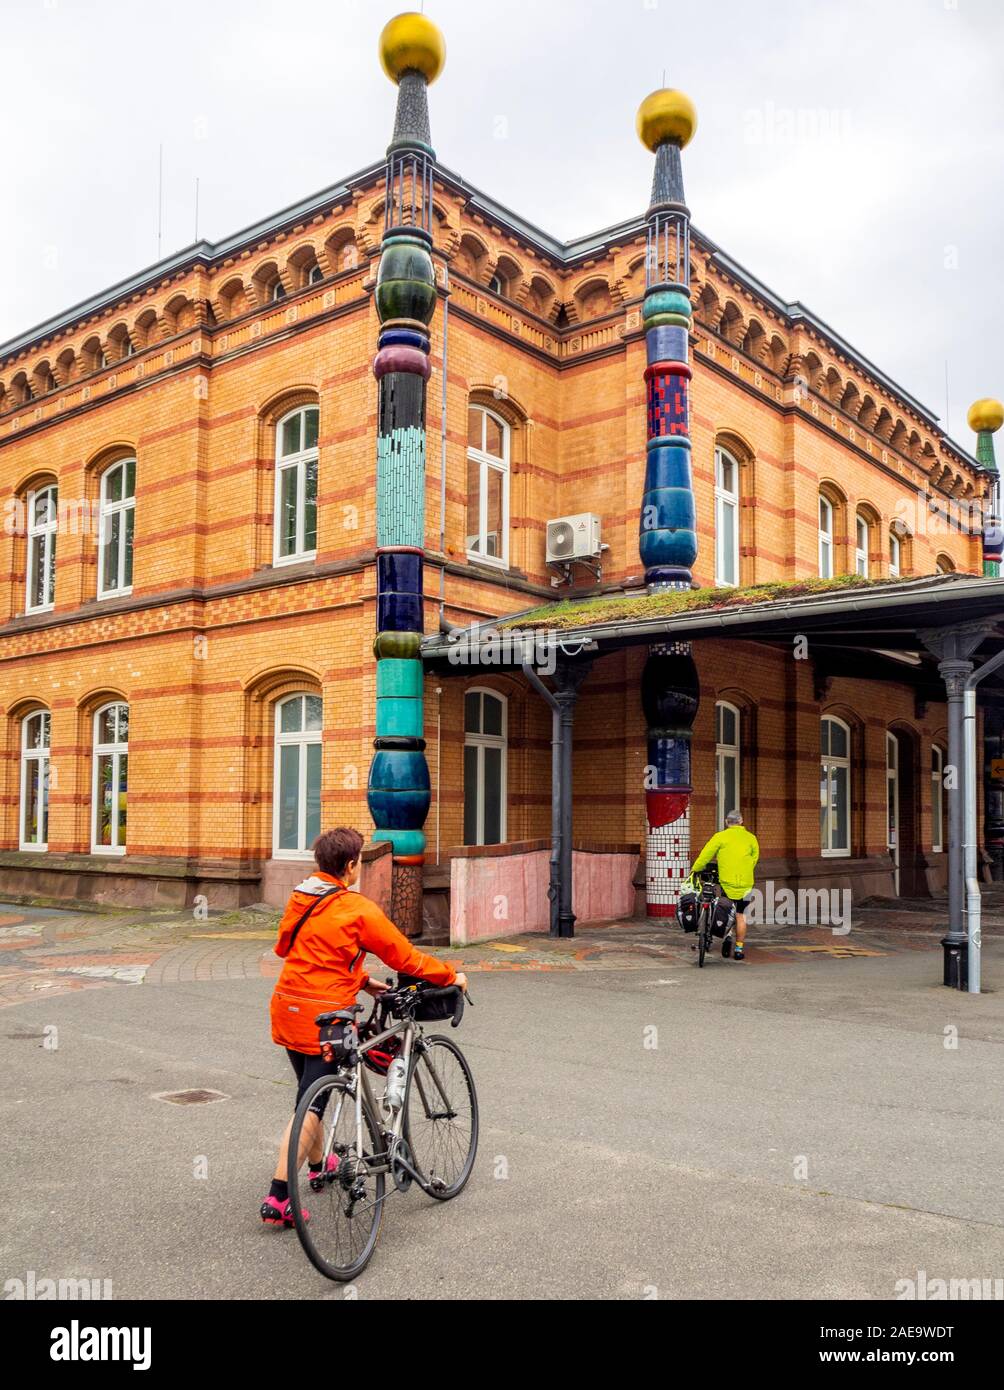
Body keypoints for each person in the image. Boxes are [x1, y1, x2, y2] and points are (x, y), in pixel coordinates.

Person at [262, 826, 467, 1227]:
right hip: (325, 1018)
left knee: (309, 1095)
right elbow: (405, 958)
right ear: (351, 865)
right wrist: (450, 975)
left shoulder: (302, 896)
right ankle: (279, 1197)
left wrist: (358, 979)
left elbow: (292, 950)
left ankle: (321, 1165)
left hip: (287, 1007)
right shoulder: (357, 909)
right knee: (313, 1105)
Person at [688, 810, 759, 961]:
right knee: (741, 915)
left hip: (727, 882)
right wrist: (745, 869)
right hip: (746, 882)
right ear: (741, 821)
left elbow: (705, 855)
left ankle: (727, 936)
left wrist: (696, 868)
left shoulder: (720, 837)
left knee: (726, 910)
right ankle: (739, 949)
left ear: (727, 822)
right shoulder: (751, 838)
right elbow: (754, 858)